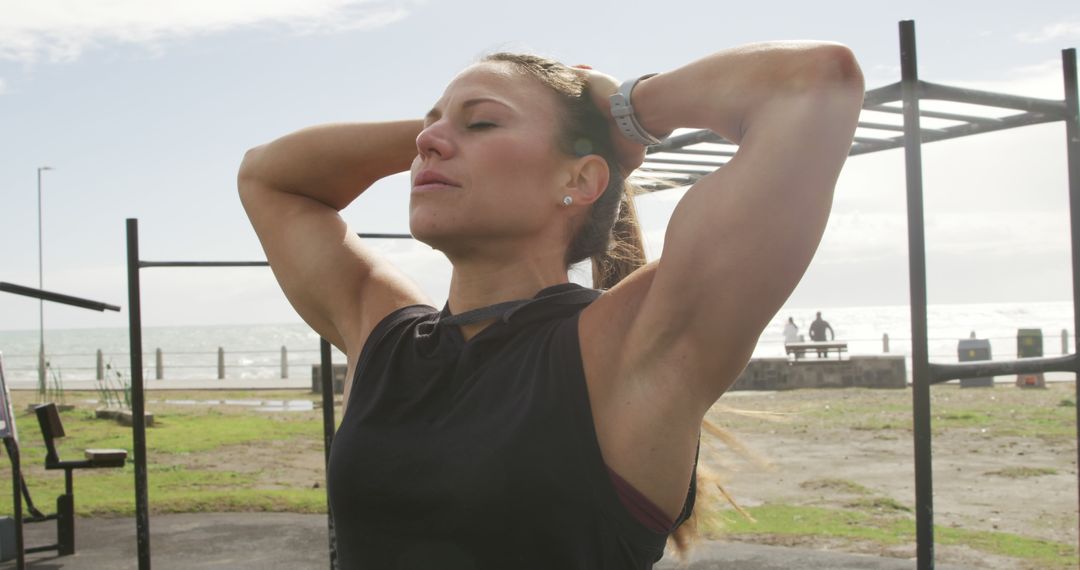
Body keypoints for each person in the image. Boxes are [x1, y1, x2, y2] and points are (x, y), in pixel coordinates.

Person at [238, 42, 863, 569]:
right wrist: (446, 129)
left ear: (580, 180)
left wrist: (623, 112)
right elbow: (267, 176)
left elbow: (814, 82)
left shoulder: (634, 345)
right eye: (429, 130)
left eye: (483, 123)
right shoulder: (388, 339)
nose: (428, 143)